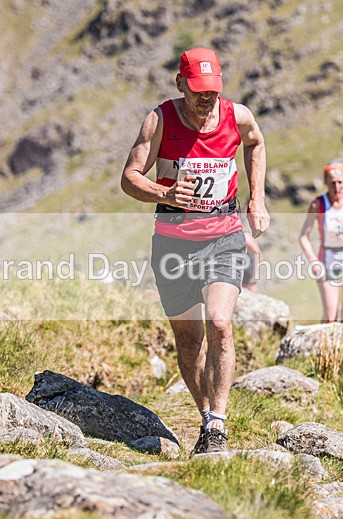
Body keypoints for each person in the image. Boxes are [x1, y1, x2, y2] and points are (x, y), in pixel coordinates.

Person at [120, 48, 269, 455]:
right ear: (180, 83)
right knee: (189, 342)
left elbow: (255, 144)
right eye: (199, 90)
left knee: (220, 323)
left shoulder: (237, 116)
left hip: (224, 236)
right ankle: (205, 419)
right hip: (172, 243)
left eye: (214, 90)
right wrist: (163, 191)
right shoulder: (160, 120)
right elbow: (129, 177)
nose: (207, 98)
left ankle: (218, 425)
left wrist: (257, 199)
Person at [298, 163, 343, 324]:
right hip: (328, 258)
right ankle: (324, 346)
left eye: (340, 182)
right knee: (330, 316)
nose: (336, 186)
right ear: (325, 183)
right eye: (332, 182)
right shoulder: (318, 205)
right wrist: (314, 261)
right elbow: (303, 236)